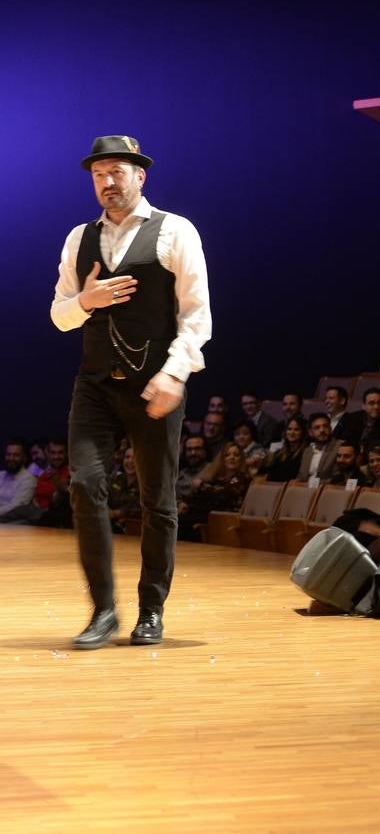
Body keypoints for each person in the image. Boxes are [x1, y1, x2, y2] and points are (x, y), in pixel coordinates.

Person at [50, 135, 212, 649]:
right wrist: (87, 300)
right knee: (83, 485)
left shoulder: (175, 231)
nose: (107, 182)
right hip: (96, 384)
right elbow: (59, 316)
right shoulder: (79, 238)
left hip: (154, 384)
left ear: (141, 176)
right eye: (99, 174)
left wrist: (175, 372)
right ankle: (103, 611)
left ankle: (151, 610)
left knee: (157, 500)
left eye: (117, 171)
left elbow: (196, 315)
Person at [180, 442, 250, 537]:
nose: (232, 457)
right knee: (177, 517)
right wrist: (185, 502)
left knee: (182, 521)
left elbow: (223, 495)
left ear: (241, 459)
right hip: (211, 513)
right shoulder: (217, 478)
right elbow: (200, 495)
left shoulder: (243, 478)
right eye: (227, 455)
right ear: (222, 459)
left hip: (226, 517)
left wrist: (202, 485)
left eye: (236, 455)